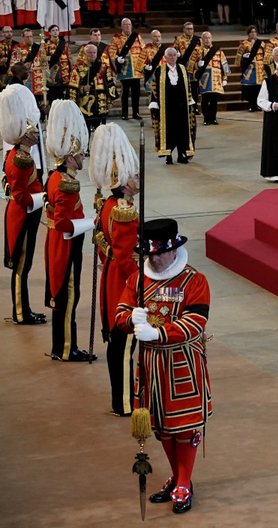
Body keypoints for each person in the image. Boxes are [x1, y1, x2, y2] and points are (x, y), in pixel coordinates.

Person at [114, 218, 212, 515]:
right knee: (161, 428)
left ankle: (184, 481)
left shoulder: (193, 281)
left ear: (173, 250)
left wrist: (159, 332)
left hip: (181, 364)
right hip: (149, 366)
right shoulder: (137, 280)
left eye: (159, 253)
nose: (154, 259)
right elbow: (120, 311)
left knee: (184, 427)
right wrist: (132, 320)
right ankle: (177, 476)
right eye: (149, 254)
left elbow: (196, 322)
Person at [88, 124, 140, 416]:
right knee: (123, 344)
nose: (137, 178)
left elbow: (101, 240)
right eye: (133, 175)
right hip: (123, 282)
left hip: (111, 277)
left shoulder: (110, 204)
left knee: (118, 343)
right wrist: (141, 282)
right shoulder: (124, 209)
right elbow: (125, 258)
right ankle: (123, 402)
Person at [42, 99, 94, 361]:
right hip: (65, 242)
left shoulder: (55, 177)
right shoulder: (67, 184)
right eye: (81, 152)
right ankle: (65, 349)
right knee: (68, 296)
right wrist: (91, 223)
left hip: (56, 241)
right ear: (71, 155)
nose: (84, 156)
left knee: (63, 297)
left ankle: (60, 346)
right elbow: (63, 222)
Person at [2, 84, 46, 326]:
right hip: (21, 215)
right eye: (34, 132)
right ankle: (20, 311)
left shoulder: (23, 155)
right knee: (21, 266)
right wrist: (44, 198)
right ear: (26, 134)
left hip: (27, 213)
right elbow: (20, 195)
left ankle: (24, 308)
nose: (37, 135)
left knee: (25, 265)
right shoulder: (20, 159)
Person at [148, 47, 195, 164]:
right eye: (170, 55)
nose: (172, 57)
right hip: (166, 107)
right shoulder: (159, 70)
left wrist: (190, 100)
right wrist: (154, 103)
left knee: (182, 130)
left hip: (181, 106)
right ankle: (168, 156)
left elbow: (188, 86)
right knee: (168, 130)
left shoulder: (183, 69)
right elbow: (154, 87)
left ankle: (181, 154)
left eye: (174, 55)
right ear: (165, 57)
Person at [69, 42, 115, 132]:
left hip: (101, 104)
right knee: (85, 131)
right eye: (90, 53)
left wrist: (110, 100)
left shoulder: (103, 67)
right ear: (85, 54)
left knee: (101, 132)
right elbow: (72, 87)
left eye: (94, 52)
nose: (92, 55)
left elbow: (110, 84)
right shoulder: (78, 69)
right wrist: (82, 89)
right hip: (86, 106)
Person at [108, 17, 144, 119]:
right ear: (122, 26)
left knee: (136, 93)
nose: (128, 26)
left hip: (136, 70)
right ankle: (125, 113)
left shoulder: (137, 37)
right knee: (125, 93)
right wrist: (117, 58)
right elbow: (111, 52)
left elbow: (144, 50)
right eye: (125, 25)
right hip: (125, 70)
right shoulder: (116, 38)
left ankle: (136, 113)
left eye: (129, 24)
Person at [193, 31, 228, 126]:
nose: (207, 40)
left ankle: (213, 118)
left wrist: (225, 78)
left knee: (214, 100)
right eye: (205, 38)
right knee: (205, 99)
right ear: (202, 39)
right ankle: (206, 118)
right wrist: (197, 65)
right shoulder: (198, 51)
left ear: (211, 39)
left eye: (209, 38)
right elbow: (192, 67)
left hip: (216, 79)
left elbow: (224, 66)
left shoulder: (219, 51)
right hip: (204, 79)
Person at [238, 25, 266, 111]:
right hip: (249, 69)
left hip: (260, 68)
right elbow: (238, 57)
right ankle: (251, 105)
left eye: (255, 32)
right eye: (251, 32)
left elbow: (265, 55)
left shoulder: (261, 43)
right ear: (248, 34)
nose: (253, 34)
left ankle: (257, 104)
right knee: (250, 88)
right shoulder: (244, 44)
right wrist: (244, 57)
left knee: (258, 87)